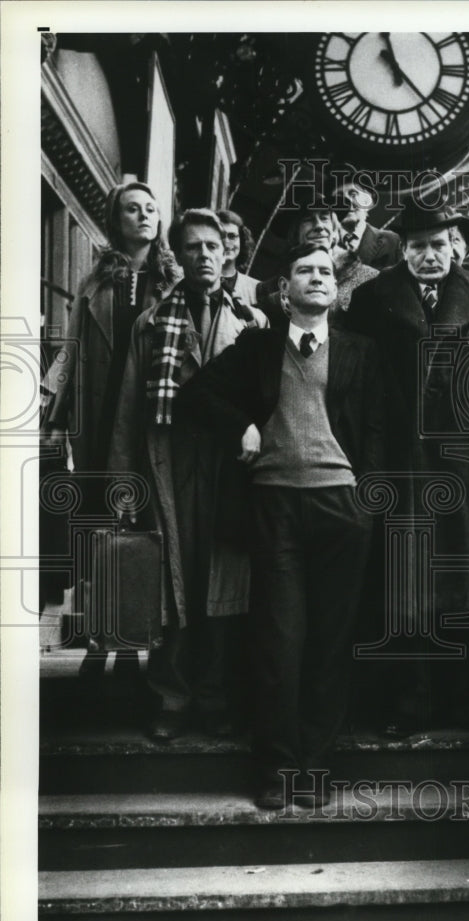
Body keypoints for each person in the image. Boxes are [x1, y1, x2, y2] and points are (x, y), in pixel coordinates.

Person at [178, 243, 383, 809]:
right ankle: (277, 768)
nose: (317, 277)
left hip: (342, 508)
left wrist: (366, 500)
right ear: (284, 290)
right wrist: (240, 424)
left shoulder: (361, 351)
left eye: (325, 271)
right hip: (274, 508)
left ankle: (314, 766)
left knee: (329, 643)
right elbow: (196, 395)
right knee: (279, 640)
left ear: (336, 289)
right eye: (304, 271)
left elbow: (378, 429)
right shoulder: (258, 346)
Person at [344, 200, 469, 731]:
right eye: (417, 247)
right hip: (404, 463)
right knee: (408, 583)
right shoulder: (372, 298)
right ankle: (413, 700)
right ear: (402, 251)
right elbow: (357, 384)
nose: (429, 256)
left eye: (438, 244)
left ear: (455, 246)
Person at [108, 208, 267, 741]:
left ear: (227, 253)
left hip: (229, 470)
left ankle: (216, 696)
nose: (205, 255)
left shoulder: (252, 323)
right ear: (177, 256)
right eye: (193, 247)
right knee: (172, 585)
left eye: (213, 246)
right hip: (168, 464)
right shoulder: (152, 323)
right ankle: (171, 698)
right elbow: (130, 408)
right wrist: (123, 484)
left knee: (222, 585)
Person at [43, 181, 179, 680]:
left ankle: (137, 641)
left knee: (149, 526)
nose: (143, 216)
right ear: (116, 220)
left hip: (152, 420)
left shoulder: (174, 280)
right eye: (132, 209)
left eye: (150, 208)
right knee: (101, 528)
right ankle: (103, 638)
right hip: (100, 420)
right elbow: (72, 350)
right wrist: (57, 419)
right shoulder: (94, 282)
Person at [257, 192, 378, 320]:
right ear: (294, 233)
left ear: (334, 228)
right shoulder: (269, 290)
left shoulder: (369, 278)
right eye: (308, 220)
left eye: (324, 217)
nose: (319, 226)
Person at [332, 181, 403, 269]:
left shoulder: (392, 241)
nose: (347, 202)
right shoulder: (326, 243)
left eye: (353, 195)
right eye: (339, 197)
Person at [217, 208, 260, 307]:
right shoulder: (194, 281)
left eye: (232, 236)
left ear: (242, 241)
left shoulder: (255, 289)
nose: (226, 243)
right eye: (220, 236)